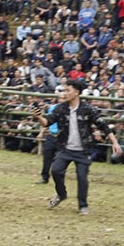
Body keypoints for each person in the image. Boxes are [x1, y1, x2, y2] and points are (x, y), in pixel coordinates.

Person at [34, 79, 122, 214]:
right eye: (65, 90)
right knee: (56, 170)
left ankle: (83, 205)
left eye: (68, 90)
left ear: (77, 92)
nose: (65, 93)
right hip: (65, 148)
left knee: (82, 177)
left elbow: (103, 125)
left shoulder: (88, 109)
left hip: (83, 150)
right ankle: (61, 194)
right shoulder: (61, 108)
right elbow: (47, 122)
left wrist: (115, 142)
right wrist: (39, 116)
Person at [36, 92, 65, 184]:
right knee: (47, 157)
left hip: (62, 137)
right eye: (60, 98)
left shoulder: (69, 110)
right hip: (51, 135)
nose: (61, 100)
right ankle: (44, 177)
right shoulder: (53, 108)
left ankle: (59, 178)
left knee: (60, 159)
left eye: (63, 98)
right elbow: (47, 122)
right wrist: (41, 133)